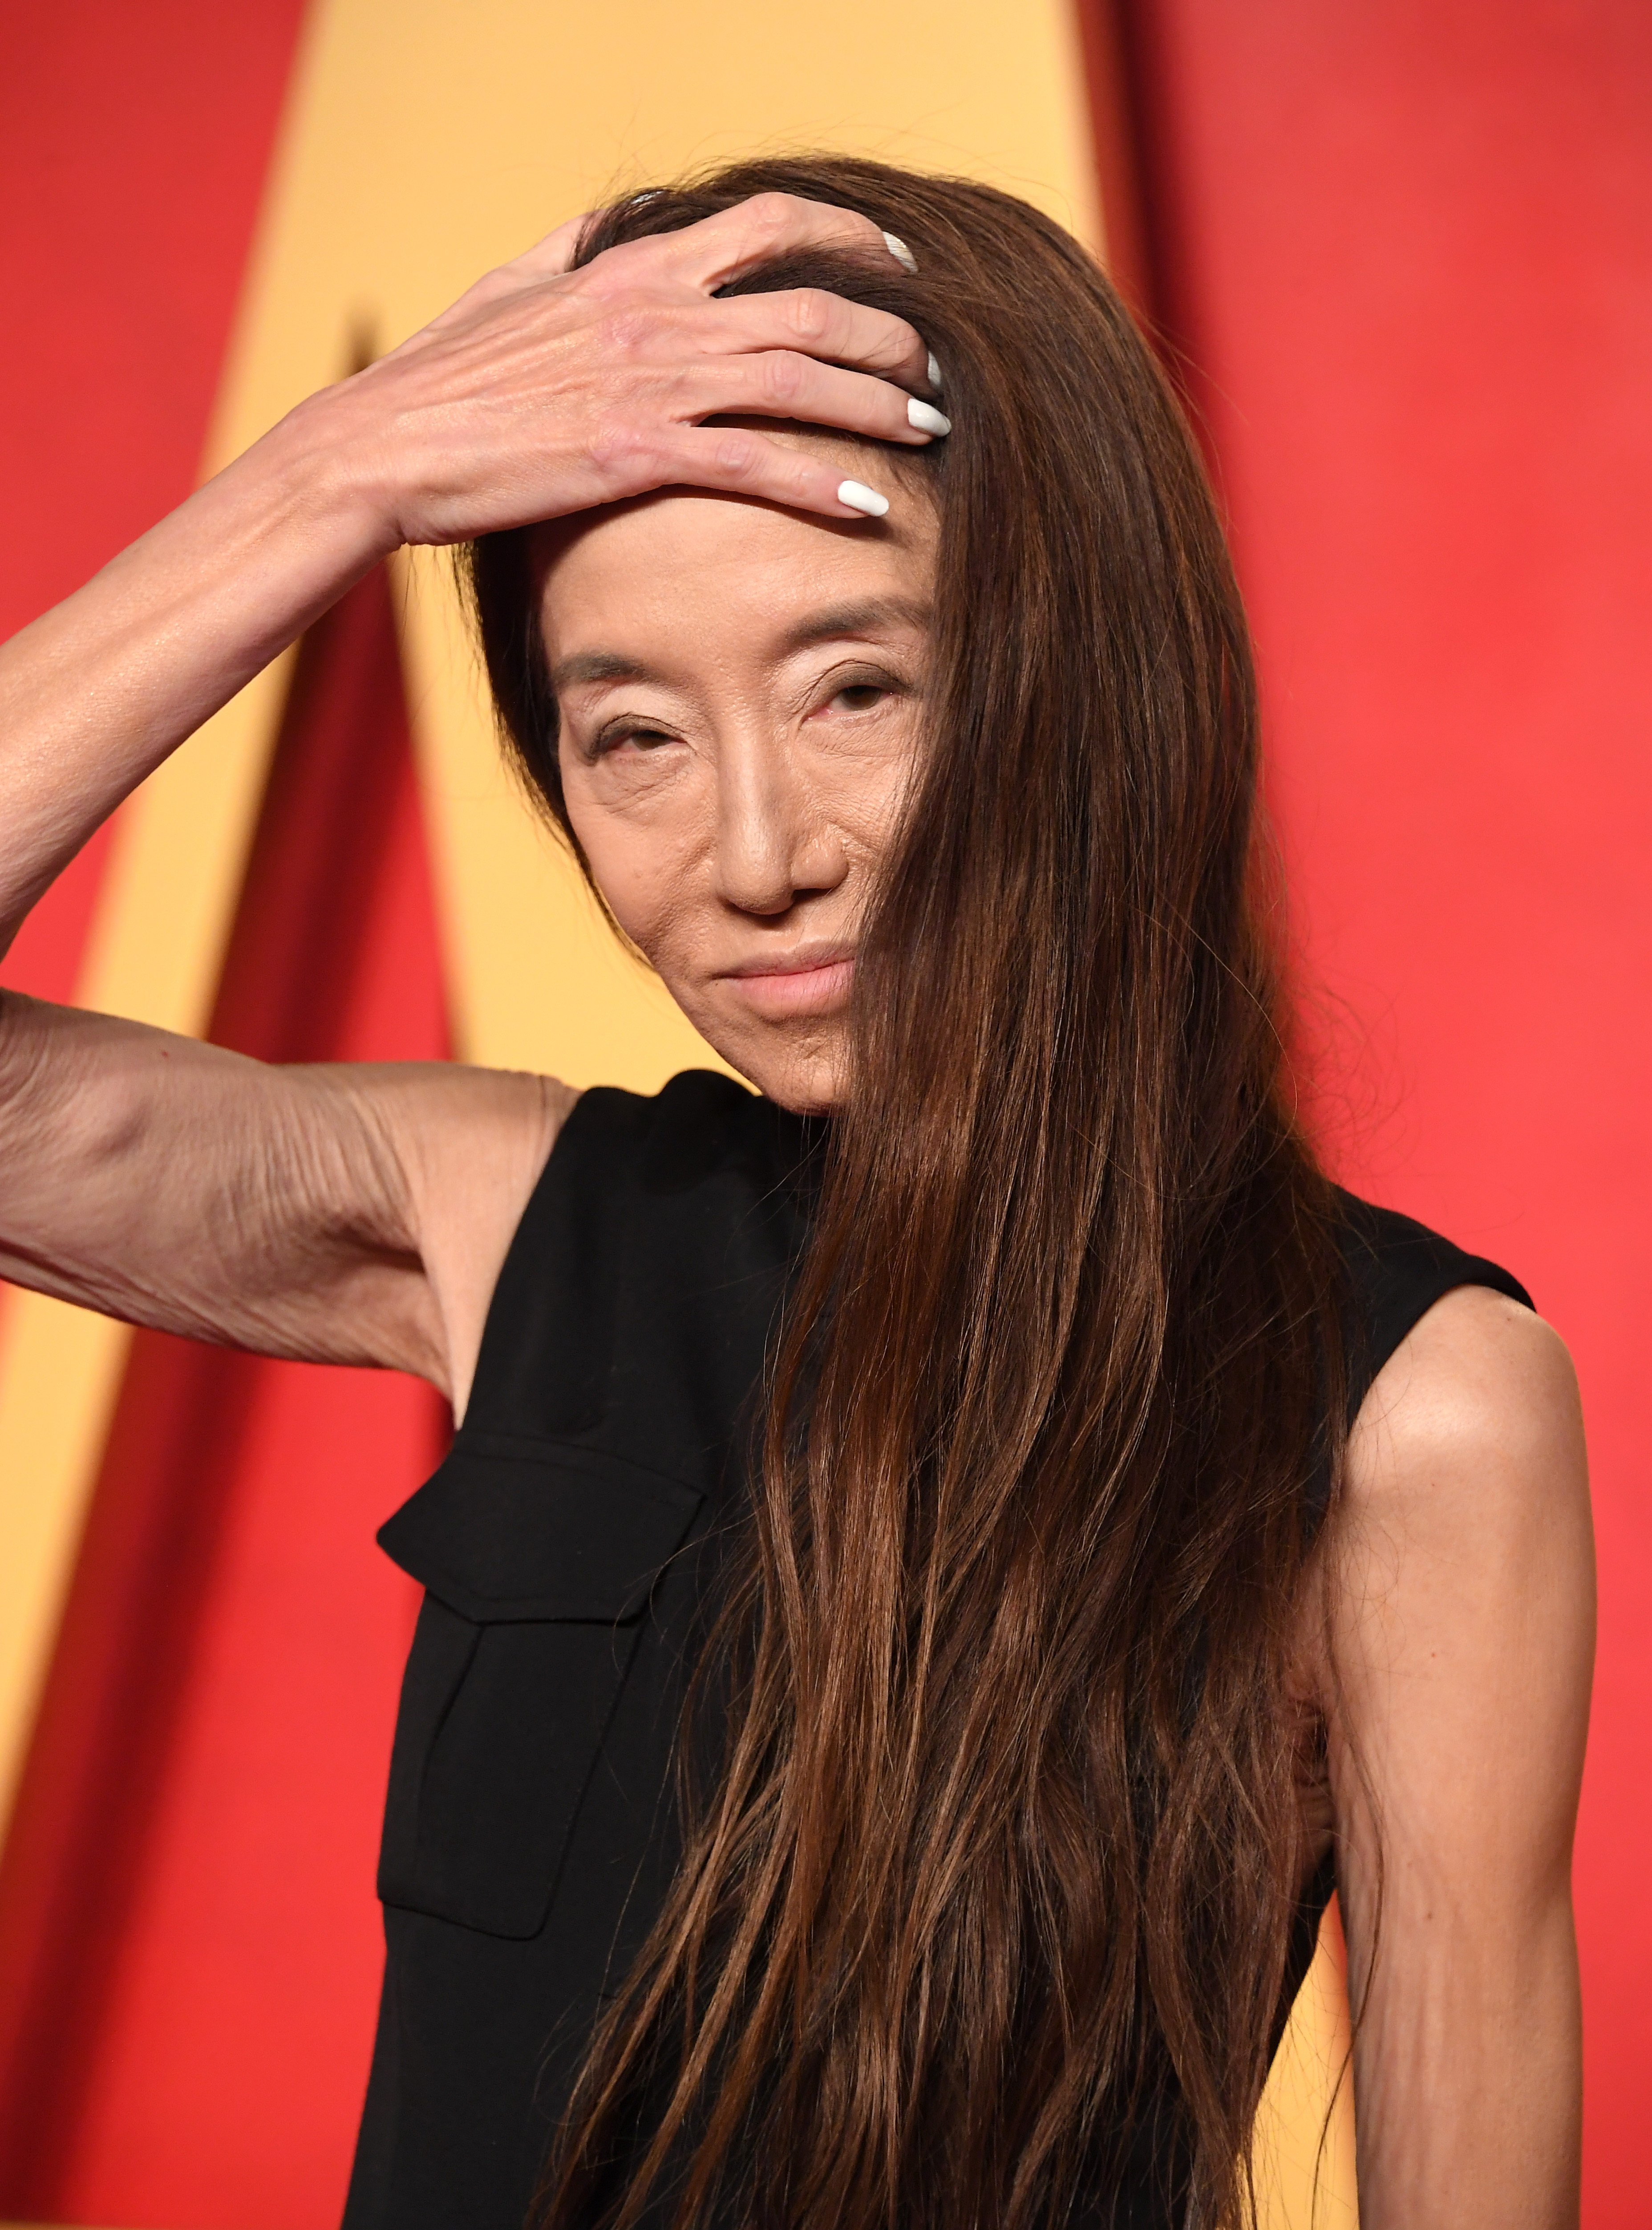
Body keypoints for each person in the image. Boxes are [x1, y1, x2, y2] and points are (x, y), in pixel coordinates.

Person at [0, 156, 1591, 2230]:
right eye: (632, 734)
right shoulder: (513, 1218)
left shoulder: (1414, 1411)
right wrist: (330, 479)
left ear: (1078, 676)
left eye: (858, 687)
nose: (755, 854)